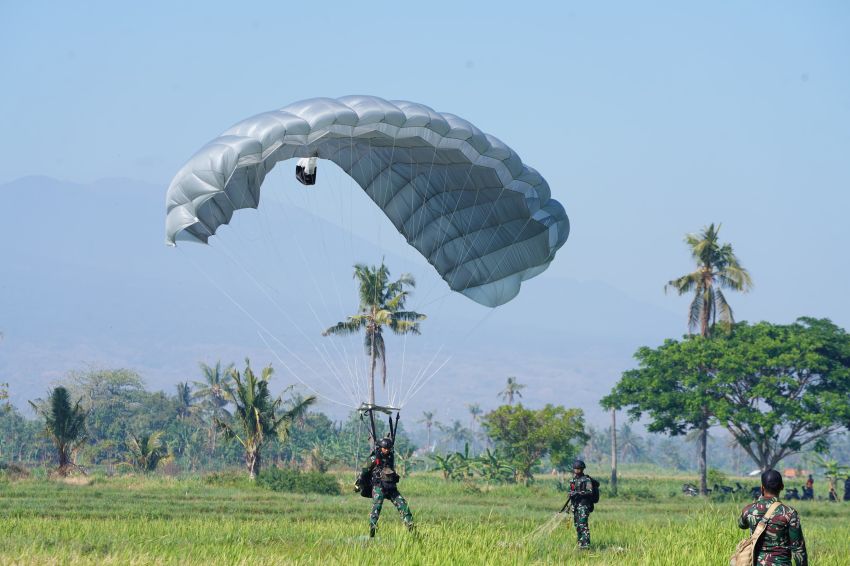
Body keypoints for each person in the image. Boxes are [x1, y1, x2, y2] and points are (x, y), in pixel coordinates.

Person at [737, 469, 808, 565]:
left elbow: (742, 525)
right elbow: (798, 549)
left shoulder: (748, 510)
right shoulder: (789, 513)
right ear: (782, 487)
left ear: (762, 488)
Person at [358, 437, 414, 537]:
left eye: (388, 448)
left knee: (403, 504)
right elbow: (364, 471)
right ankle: (372, 529)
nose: (387, 450)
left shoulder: (390, 457)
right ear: (380, 448)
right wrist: (360, 483)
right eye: (385, 448)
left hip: (391, 487)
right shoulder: (374, 458)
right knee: (377, 507)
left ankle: (411, 527)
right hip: (379, 487)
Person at [566, 459, 597, 549]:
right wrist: (571, 496)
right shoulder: (572, 480)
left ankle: (586, 545)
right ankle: (580, 543)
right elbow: (571, 491)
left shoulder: (586, 480)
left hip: (583, 506)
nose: (576, 470)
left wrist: (579, 493)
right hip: (575, 506)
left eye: (578, 469)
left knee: (583, 525)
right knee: (577, 525)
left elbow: (590, 491)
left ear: (582, 469)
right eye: (575, 469)